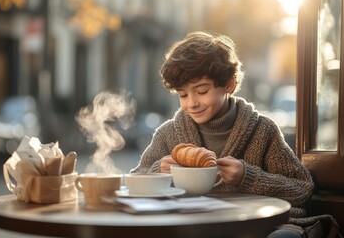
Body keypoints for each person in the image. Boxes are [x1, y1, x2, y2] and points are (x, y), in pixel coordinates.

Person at [130, 31, 318, 238]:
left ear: (229, 83)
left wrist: (249, 177)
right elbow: (134, 182)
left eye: (201, 91)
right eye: (182, 94)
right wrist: (158, 172)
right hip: (193, 228)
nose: (191, 103)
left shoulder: (262, 131)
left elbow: (302, 189)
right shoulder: (169, 133)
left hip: (254, 227)